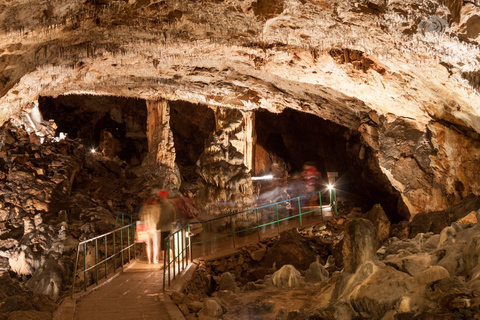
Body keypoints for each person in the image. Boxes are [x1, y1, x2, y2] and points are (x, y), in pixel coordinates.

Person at [138, 196, 161, 264]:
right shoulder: (156, 208)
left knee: (147, 245)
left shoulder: (144, 208)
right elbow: (158, 218)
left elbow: (140, 217)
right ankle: (154, 259)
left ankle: (149, 259)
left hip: (145, 228)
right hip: (154, 228)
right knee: (155, 244)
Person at [157, 190, 177, 258]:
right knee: (167, 246)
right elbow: (173, 216)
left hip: (165, 228)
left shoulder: (165, 206)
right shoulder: (168, 205)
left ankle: (168, 261)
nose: (160, 198)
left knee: (166, 246)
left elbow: (164, 217)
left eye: (160, 197)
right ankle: (168, 261)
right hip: (168, 227)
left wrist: (159, 224)